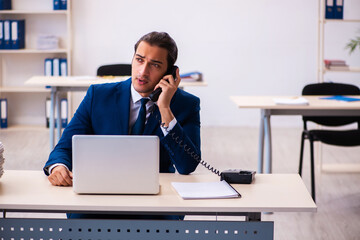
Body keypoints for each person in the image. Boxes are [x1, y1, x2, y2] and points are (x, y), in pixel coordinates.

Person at [43, 32, 201, 218]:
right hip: (101, 190)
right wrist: (58, 166)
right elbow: (64, 147)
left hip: (155, 199)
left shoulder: (186, 104)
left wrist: (165, 108)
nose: (143, 71)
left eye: (155, 65)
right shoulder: (98, 95)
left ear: (169, 73)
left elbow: (187, 166)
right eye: (139, 60)